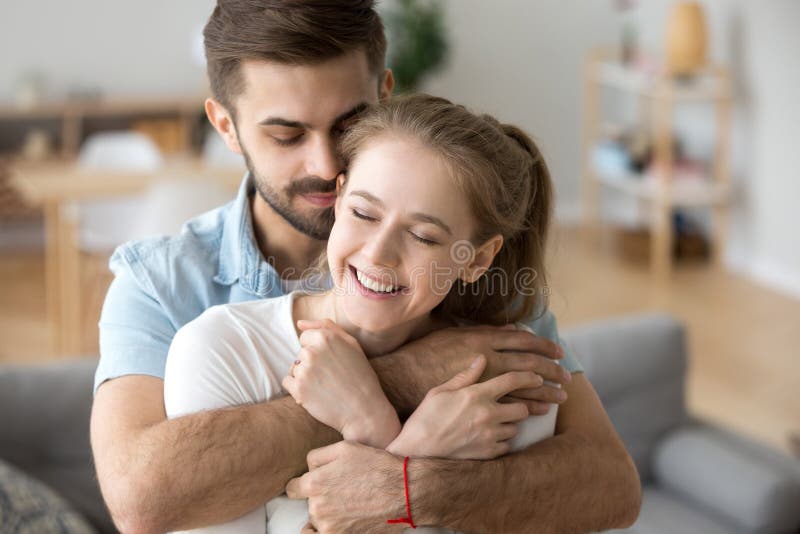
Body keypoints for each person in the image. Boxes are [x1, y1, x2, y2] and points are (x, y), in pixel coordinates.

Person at [89, 1, 641, 533]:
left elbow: (610, 486)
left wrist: (412, 491)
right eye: (286, 135)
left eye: (350, 124)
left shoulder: (473, 273)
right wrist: (402, 377)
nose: (327, 165)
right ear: (226, 126)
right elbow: (143, 502)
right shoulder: (161, 284)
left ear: (385, 94)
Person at [164, 94, 569, 532]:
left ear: (477, 259)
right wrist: (406, 450)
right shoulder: (223, 349)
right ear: (338, 201)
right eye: (363, 212)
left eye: (423, 236)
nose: (378, 253)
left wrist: (380, 437)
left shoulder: (505, 379)